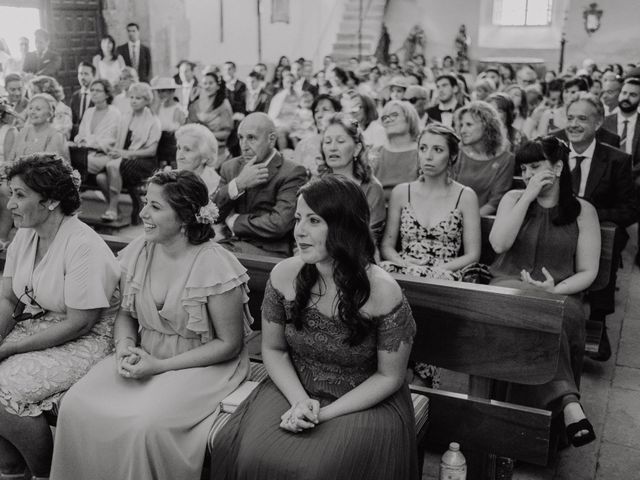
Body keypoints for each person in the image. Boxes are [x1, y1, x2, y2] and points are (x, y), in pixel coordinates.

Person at [209, 175, 418, 480]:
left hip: (364, 397)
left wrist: (323, 412)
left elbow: (389, 376)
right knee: (252, 455)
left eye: (314, 220)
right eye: (297, 219)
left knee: (316, 468)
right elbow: (274, 349)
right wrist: (299, 401)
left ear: (345, 226)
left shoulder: (382, 291)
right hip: (294, 384)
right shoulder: (284, 276)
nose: (300, 231)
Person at [51, 170, 252, 480]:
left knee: (145, 424)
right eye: (146, 203)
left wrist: (160, 366)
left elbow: (229, 344)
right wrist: (125, 347)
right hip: (146, 351)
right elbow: (127, 315)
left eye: (155, 207)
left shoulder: (214, 264)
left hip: (202, 363)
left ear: (185, 217)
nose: (142, 213)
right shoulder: (139, 251)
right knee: (77, 405)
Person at [0, 154, 120, 479]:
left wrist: (9, 349)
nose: (10, 203)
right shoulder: (25, 233)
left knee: (3, 391)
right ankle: (10, 468)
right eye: (11, 192)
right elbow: (8, 296)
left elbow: (80, 322)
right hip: (44, 324)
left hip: (90, 337)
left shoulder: (83, 246)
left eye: (20, 195)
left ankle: (45, 473)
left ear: (51, 200)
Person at [488, 136, 601, 448]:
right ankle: (568, 401)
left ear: (559, 167)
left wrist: (556, 289)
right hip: (510, 285)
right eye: (524, 168)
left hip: (561, 292)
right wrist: (528, 197)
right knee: (523, 310)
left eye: (536, 167)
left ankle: (528, 434)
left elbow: (588, 271)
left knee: (552, 316)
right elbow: (499, 245)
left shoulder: (582, 211)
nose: (528, 174)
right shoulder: (514, 199)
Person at [564, 93, 636, 361]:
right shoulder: (553, 150)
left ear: (598, 124)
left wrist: (588, 215)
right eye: (570, 117)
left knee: (609, 239)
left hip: (597, 226)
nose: (573, 124)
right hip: (559, 223)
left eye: (582, 118)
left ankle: (598, 320)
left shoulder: (616, 160)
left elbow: (629, 209)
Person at [381, 122, 481, 280]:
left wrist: (435, 269)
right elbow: (387, 246)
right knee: (381, 271)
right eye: (423, 148)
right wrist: (406, 265)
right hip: (406, 268)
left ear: (452, 156)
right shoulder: (401, 192)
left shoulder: (466, 196)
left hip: (445, 272)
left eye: (438, 150)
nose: (428, 156)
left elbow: (472, 254)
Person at [212, 113, 308, 257]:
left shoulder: (292, 171)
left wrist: (234, 221)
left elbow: (278, 224)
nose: (244, 146)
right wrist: (238, 184)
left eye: (251, 138)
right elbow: (213, 213)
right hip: (230, 244)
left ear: (271, 139)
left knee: (212, 257)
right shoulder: (230, 167)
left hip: (269, 252)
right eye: (240, 138)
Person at [99, 82, 161, 222]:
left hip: (145, 162)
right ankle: (117, 210)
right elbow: (118, 142)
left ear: (146, 101)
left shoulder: (153, 120)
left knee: (112, 166)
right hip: (124, 158)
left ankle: (112, 210)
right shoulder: (125, 117)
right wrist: (115, 151)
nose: (133, 100)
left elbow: (151, 151)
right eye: (131, 97)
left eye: (138, 98)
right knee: (100, 178)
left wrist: (124, 154)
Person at [319, 113, 386, 242]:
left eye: (340, 141)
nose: (332, 148)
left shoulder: (372, 189)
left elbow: (369, 239)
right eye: (327, 142)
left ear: (357, 148)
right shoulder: (316, 184)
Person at [452, 101, 515, 216]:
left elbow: (495, 202)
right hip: (449, 218)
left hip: (481, 222)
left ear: (487, 125)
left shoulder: (506, 159)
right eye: (461, 125)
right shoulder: (457, 152)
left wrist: (468, 221)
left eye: (469, 125)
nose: (462, 131)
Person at [71, 78, 121, 177]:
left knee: (74, 160)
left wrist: (86, 142)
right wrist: (80, 141)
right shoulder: (88, 112)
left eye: (98, 91)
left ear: (107, 94)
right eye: (92, 90)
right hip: (84, 153)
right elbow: (80, 135)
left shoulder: (114, 113)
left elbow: (110, 140)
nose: (93, 93)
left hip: (104, 155)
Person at [370, 100, 420, 199]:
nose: (388, 120)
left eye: (394, 115)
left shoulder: (423, 152)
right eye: (385, 117)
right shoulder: (375, 153)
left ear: (409, 118)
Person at [187, 70, 233, 162]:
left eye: (211, 83)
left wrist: (206, 135)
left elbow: (226, 132)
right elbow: (189, 128)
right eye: (205, 83)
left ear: (217, 86)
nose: (207, 86)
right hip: (197, 150)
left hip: (217, 151)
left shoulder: (224, 105)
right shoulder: (194, 105)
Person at [7, 94, 69, 163]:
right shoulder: (23, 131)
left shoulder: (56, 136)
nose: (32, 112)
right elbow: (10, 159)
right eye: (30, 108)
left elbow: (49, 168)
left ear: (50, 113)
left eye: (38, 109)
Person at [293, 94, 341, 176]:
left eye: (325, 109)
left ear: (338, 113)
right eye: (316, 111)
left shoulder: (346, 142)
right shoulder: (303, 145)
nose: (319, 115)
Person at [150, 76, 186, 169]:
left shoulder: (178, 109)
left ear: (171, 92)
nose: (161, 94)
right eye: (159, 91)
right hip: (159, 141)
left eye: (164, 91)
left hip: (172, 142)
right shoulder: (158, 107)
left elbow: (179, 129)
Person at [175, 123, 221, 194]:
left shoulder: (214, 186)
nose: (179, 155)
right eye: (178, 148)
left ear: (204, 157)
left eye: (187, 149)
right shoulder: (172, 177)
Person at [28, 76, 73, 140]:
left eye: (34, 93)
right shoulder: (35, 109)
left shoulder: (62, 110)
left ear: (47, 93)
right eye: (31, 92)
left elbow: (60, 135)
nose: (31, 97)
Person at [267, 70, 300, 150]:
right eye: (288, 82)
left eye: (292, 82)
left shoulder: (299, 96)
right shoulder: (278, 97)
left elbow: (301, 112)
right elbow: (273, 115)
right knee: (281, 133)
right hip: (281, 123)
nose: (290, 85)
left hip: (296, 123)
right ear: (283, 83)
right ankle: (283, 154)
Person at [68, 62, 96, 139]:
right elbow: (72, 121)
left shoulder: (98, 95)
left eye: (86, 74)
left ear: (93, 76)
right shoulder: (75, 96)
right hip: (77, 139)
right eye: (80, 74)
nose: (82, 77)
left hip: (93, 137)